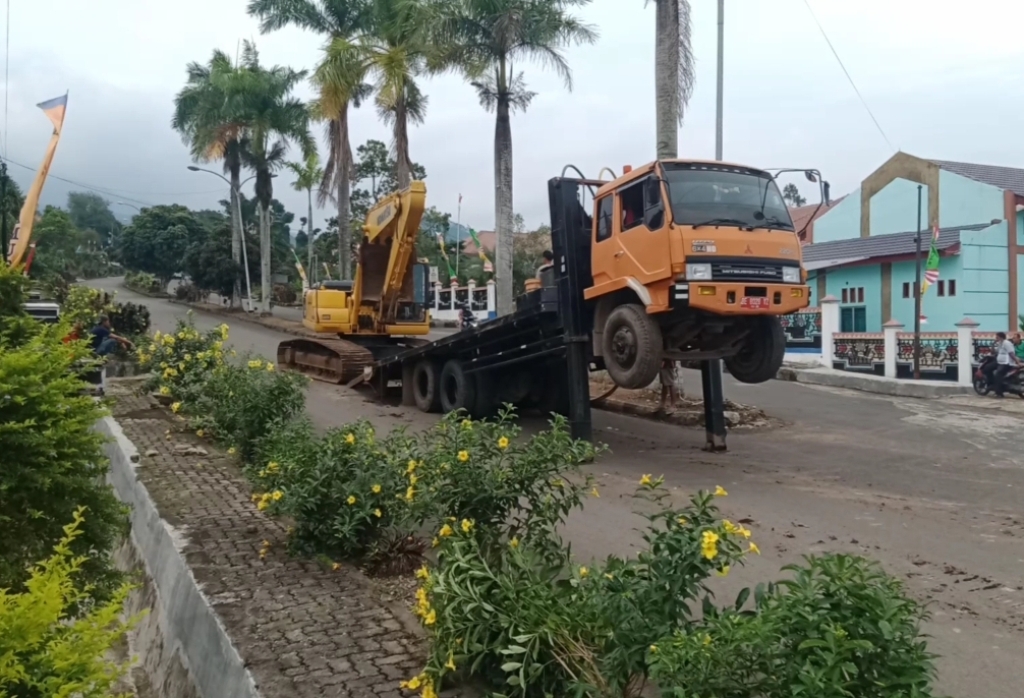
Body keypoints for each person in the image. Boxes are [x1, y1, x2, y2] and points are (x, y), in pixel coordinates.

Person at [991, 331, 1019, 398]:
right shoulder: (1000, 343)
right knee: (990, 368)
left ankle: (999, 393)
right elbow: (995, 352)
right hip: (1000, 362)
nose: (996, 338)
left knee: (998, 375)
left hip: (1006, 363)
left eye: (997, 337)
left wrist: (1017, 362)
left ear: (1001, 337)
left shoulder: (1006, 343)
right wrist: (993, 345)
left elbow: (1011, 353)